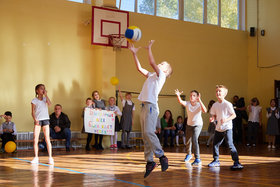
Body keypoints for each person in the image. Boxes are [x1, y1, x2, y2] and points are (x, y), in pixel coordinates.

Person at [128, 40, 172, 178]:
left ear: (165, 70)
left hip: (152, 107)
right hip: (144, 106)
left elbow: (152, 63)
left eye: (163, 64)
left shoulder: (161, 76)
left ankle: (162, 156)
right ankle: (149, 162)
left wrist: (149, 49)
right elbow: (139, 68)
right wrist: (134, 54)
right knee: (145, 136)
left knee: (148, 132)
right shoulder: (152, 75)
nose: (160, 63)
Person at [208, 85, 243, 170]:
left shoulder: (228, 104)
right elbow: (214, 115)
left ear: (225, 93)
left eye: (220, 91)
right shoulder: (215, 105)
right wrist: (213, 118)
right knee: (215, 144)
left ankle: (237, 162)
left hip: (227, 128)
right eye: (216, 91)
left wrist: (226, 119)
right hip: (218, 128)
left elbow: (234, 115)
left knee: (230, 145)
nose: (218, 93)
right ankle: (216, 160)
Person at [175, 89, 207, 165]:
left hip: (198, 125)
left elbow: (205, 110)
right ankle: (189, 154)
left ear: (197, 97)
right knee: (188, 141)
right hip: (189, 125)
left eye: (194, 95)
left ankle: (197, 159)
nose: (192, 97)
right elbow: (180, 101)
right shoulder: (188, 103)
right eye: (191, 95)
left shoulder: (199, 104)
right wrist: (178, 95)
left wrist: (200, 100)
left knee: (194, 139)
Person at [31, 84, 54, 165]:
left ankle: (50, 158)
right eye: (41, 89)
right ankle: (36, 157)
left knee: (47, 139)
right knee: (35, 139)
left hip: (45, 120)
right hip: (38, 120)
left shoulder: (45, 99)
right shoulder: (34, 100)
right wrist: (35, 120)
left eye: (44, 89)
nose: (43, 90)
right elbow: (33, 112)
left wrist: (46, 95)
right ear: (37, 91)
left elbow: (50, 104)